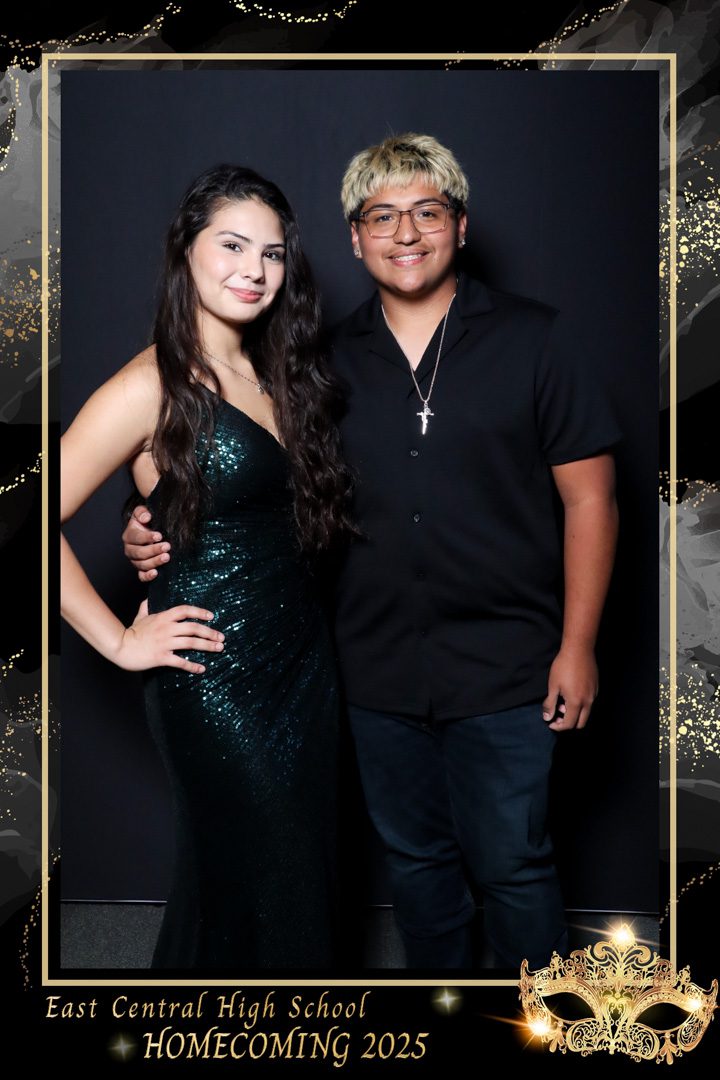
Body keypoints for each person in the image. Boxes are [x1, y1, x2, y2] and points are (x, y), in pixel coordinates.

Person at [122, 135, 621, 971]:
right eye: (382, 216)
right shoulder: (316, 364)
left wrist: (579, 646)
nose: (406, 232)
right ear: (355, 238)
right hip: (368, 673)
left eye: (428, 211)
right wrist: (148, 522)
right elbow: (237, 474)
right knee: (419, 874)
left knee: (515, 870)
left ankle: (537, 1029)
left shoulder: (538, 340)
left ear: (461, 225)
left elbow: (592, 500)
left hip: (509, 668)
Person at [61, 164, 355, 970]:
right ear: (185, 251)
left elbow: (247, 511)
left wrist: (145, 514)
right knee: (265, 881)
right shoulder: (150, 382)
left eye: (272, 253)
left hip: (304, 669)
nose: (253, 270)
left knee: (286, 884)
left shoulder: (275, 375)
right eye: (232, 245)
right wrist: (121, 642)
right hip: (215, 681)